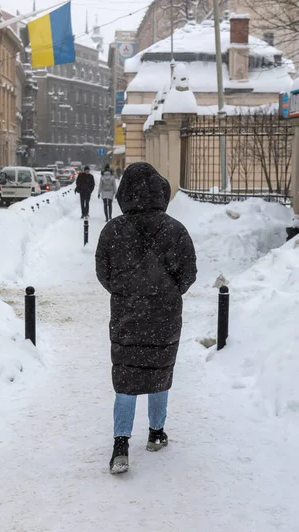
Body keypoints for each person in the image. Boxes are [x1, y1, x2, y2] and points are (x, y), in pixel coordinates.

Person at [95, 163, 197, 474]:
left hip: (127, 315)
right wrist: (167, 292)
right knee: (159, 373)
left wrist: (126, 292)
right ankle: (156, 433)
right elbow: (188, 274)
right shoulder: (176, 230)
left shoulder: (112, 230)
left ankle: (121, 446)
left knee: (125, 380)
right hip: (164, 316)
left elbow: (103, 271)